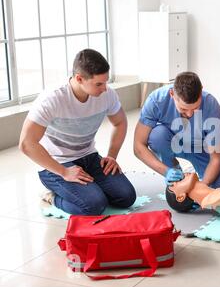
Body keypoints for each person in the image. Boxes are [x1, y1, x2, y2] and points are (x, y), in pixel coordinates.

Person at [19, 49, 136, 215]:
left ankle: (88, 191)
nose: (105, 89)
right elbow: (26, 143)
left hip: (89, 157)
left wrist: (112, 156)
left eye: (106, 82)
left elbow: (120, 122)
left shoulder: (107, 94)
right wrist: (63, 172)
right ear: (79, 78)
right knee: (94, 206)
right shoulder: (52, 98)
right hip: (56, 164)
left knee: (127, 197)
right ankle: (52, 197)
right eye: (99, 84)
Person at [134, 71, 220, 209]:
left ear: (201, 90)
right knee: (156, 136)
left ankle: (191, 171)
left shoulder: (211, 107)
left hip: (201, 147)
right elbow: (138, 146)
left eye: (195, 108)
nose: (190, 114)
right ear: (172, 94)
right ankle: (175, 171)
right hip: (171, 142)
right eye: (184, 109)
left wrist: (202, 188)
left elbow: (216, 158)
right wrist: (166, 171)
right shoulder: (156, 101)